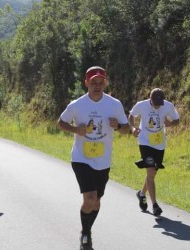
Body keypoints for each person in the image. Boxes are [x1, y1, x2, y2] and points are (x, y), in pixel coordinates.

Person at [57, 66, 130, 250]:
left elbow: (126, 129)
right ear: (86, 83)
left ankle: (87, 230)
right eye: (93, 82)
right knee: (89, 198)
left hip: (103, 160)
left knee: (96, 201)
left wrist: (117, 126)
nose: (97, 86)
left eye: (101, 82)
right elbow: (60, 123)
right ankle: (86, 233)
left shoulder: (114, 104)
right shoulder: (77, 104)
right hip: (81, 158)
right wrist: (76, 129)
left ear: (105, 82)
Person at [128, 88, 180, 216]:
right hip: (145, 141)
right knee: (150, 171)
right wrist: (133, 128)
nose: (157, 106)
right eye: (155, 103)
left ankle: (141, 194)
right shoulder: (141, 105)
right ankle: (155, 205)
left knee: (152, 174)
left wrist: (171, 123)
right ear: (150, 99)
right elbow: (131, 115)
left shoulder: (168, 105)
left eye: (159, 103)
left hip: (159, 143)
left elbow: (177, 120)